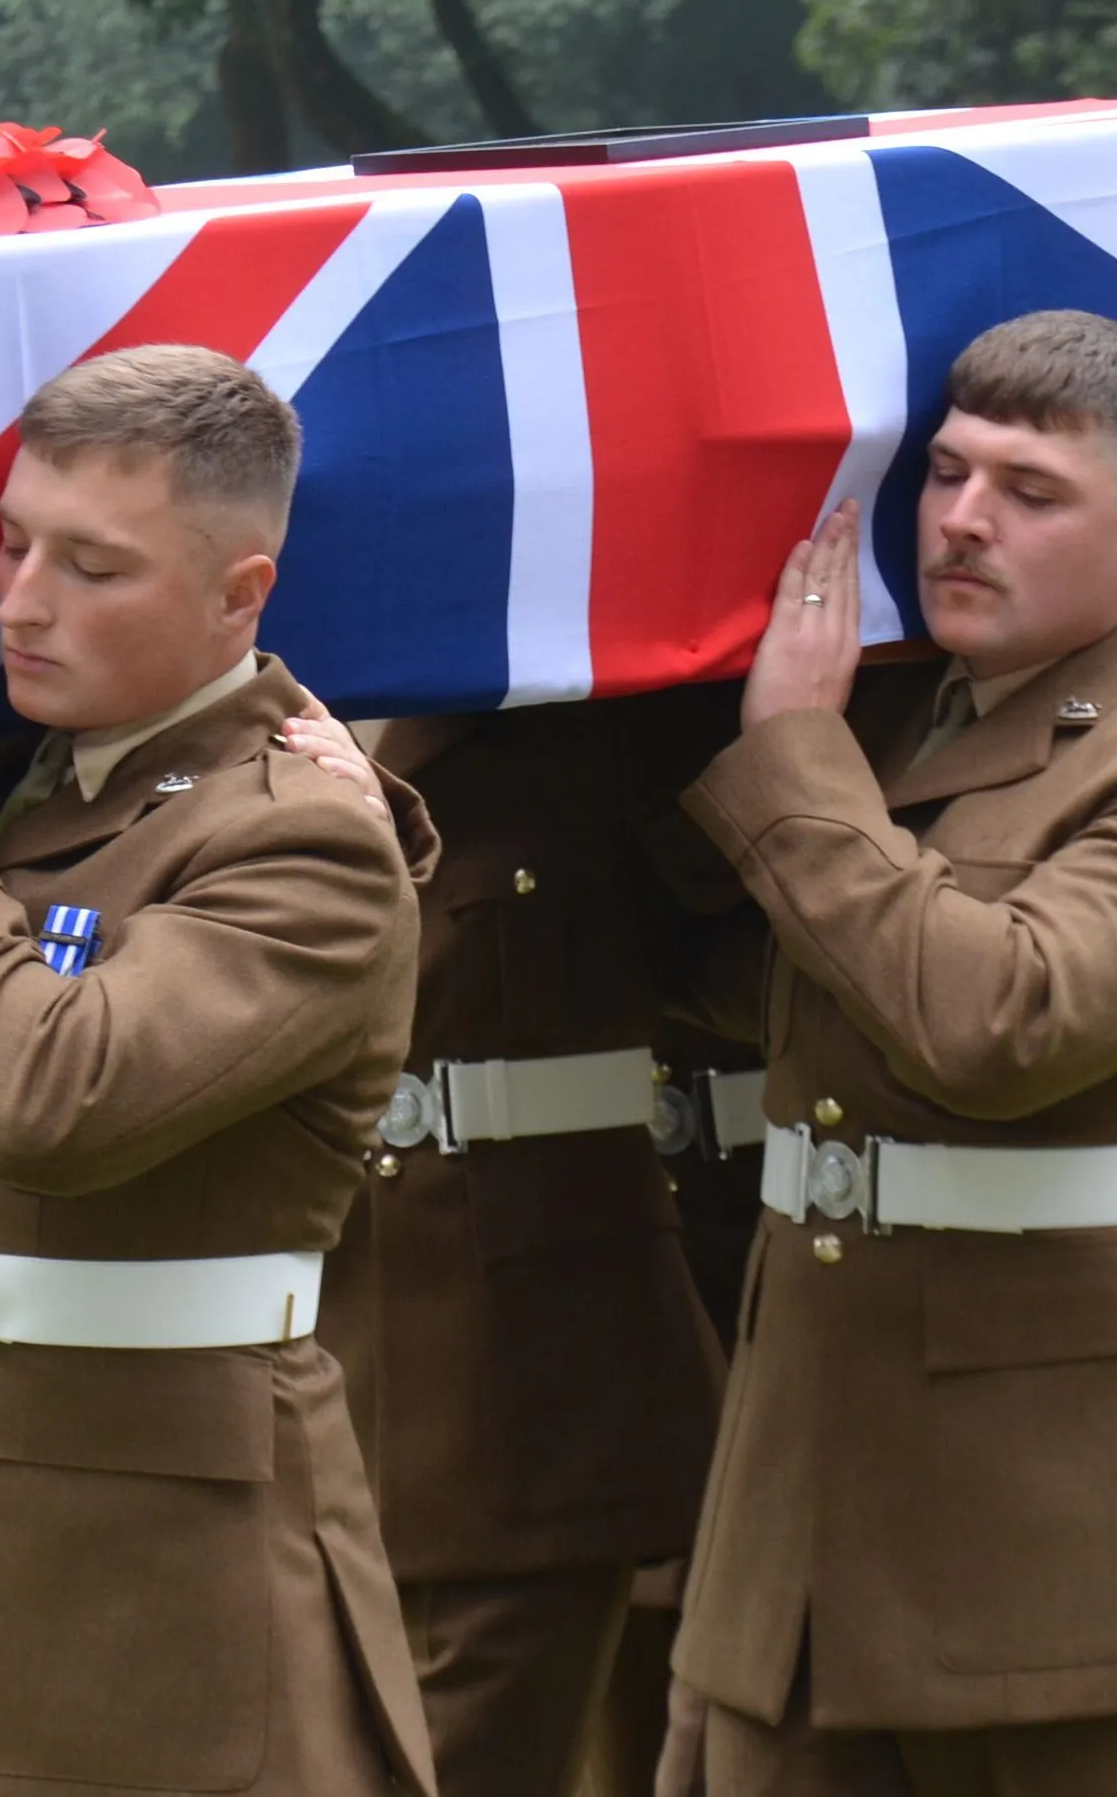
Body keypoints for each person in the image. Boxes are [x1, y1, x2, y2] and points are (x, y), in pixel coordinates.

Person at [661, 309, 1117, 1795]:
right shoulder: (895, 727)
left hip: (1086, 1538)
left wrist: (791, 756)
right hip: (808, 1513)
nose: (966, 520)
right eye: (950, 475)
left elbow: (992, 1025)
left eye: (1032, 493)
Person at [0, 343, 439, 1797]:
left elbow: (45, 1097)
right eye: (11, 542)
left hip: (157, 1572)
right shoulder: (40, 776)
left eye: (93, 566)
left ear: (239, 594)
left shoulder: (298, 835)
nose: (19, 602)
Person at [321, 694, 737, 1797]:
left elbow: (751, 975)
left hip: (538, 1377)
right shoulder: (270, 711)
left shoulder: (599, 709)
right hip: (329, 1352)